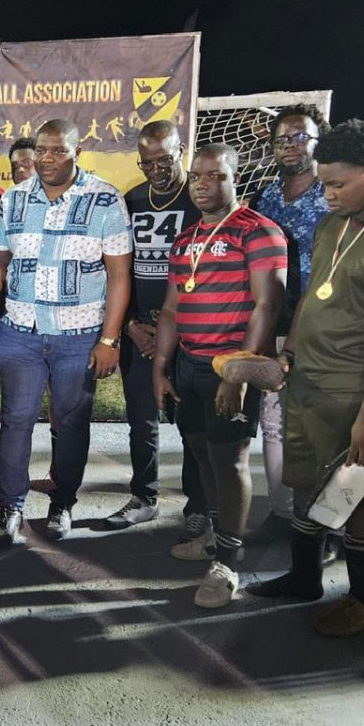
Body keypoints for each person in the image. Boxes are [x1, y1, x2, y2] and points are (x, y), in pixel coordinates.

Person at [247, 118, 364, 636]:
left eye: (336, 184)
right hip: (310, 382)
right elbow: (314, 295)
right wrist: (291, 354)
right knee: (310, 487)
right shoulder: (337, 223)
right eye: (324, 183)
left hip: (359, 393)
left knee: (360, 500)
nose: (326, 194)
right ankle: (305, 579)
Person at [0, 119, 132, 545]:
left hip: (80, 336)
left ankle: (62, 502)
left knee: (70, 423)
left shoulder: (104, 199)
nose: (47, 159)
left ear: (76, 152)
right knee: (16, 421)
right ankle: (10, 508)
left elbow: (119, 274)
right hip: (21, 332)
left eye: (57, 151)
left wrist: (108, 339)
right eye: (41, 152)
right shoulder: (13, 200)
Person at [153, 143, 287, 609]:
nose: (204, 185)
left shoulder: (259, 231)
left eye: (215, 176)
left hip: (229, 368)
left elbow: (268, 304)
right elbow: (170, 310)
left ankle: (229, 562)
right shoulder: (186, 237)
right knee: (201, 453)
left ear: (236, 179)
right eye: (197, 178)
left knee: (230, 461)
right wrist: (160, 368)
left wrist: (240, 369)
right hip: (188, 364)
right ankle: (214, 533)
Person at [105, 120, 209, 538]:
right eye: (147, 163)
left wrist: (177, 329)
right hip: (140, 332)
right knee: (141, 420)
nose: (156, 169)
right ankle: (144, 497)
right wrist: (130, 325)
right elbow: (118, 269)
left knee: (191, 423)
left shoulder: (200, 200)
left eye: (164, 159)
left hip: (188, 332)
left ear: (181, 150)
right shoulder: (131, 200)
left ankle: (198, 505)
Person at [245, 104, 331, 547]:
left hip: (323, 330)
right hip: (275, 324)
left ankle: (328, 526)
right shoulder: (266, 197)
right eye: (282, 139)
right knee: (274, 428)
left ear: (319, 141)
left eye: (301, 137)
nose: (291, 146)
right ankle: (282, 515)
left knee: (318, 432)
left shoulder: (333, 195)